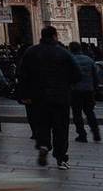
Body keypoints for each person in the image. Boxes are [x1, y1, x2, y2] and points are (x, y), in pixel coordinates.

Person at [17, 26, 80, 169]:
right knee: (61, 129)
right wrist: (66, 85)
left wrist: (25, 95)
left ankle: (44, 145)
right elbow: (77, 74)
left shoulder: (31, 52)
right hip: (60, 97)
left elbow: (22, 74)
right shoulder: (64, 53)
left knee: (42, 125)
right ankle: (61, 158)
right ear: (55, 36)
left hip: (38, 98)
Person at [68, 42, 101, 143]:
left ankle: (82, 134)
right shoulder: (89, 59)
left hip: (75, 90)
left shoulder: (70, 60)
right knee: (90, 112)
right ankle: (96, 133)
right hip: (88, 90)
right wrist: (95, 87)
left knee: (77, 113)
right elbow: (95, 75)